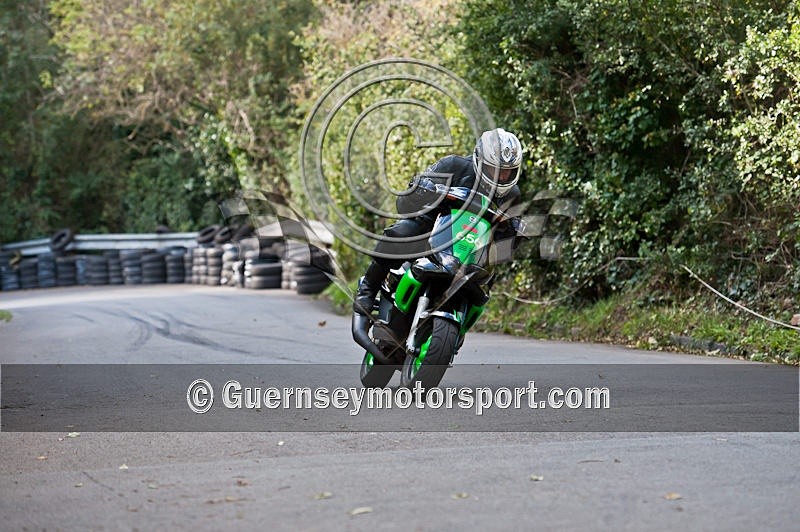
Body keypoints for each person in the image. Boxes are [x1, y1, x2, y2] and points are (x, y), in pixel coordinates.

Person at [353, 127, 525, 315]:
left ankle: (461, 318)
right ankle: (367, 289)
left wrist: (515, 231)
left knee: (488, 277)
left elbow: (506, 247)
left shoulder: (513, 195)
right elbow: (404, 204)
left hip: (474, 247)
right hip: (434, 227)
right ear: (480, 160)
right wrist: (419, 190)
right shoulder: (453, 166)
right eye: (495, 169)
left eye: (507, 172)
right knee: (402, 232)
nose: (500, 176)